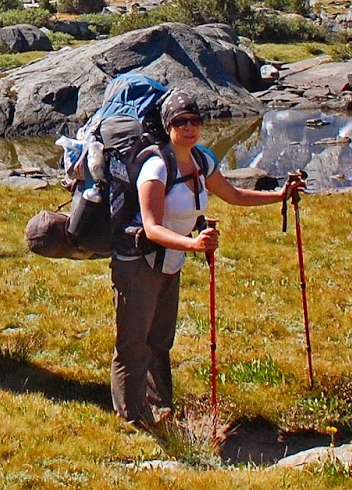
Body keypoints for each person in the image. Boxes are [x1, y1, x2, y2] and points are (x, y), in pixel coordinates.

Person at [110, 89, 301, 432]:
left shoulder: (202, 160)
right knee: (133, 342)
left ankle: (160, 406)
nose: (190, 128)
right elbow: (152, 227)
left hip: (170, 260)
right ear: (168, 126)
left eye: (195, 121)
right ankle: (131, 418)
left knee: (160, 340)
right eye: (181, 122)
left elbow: (234, 195)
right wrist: (194, 244)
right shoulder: (156, 166)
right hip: (138, 261)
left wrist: (280, 196)